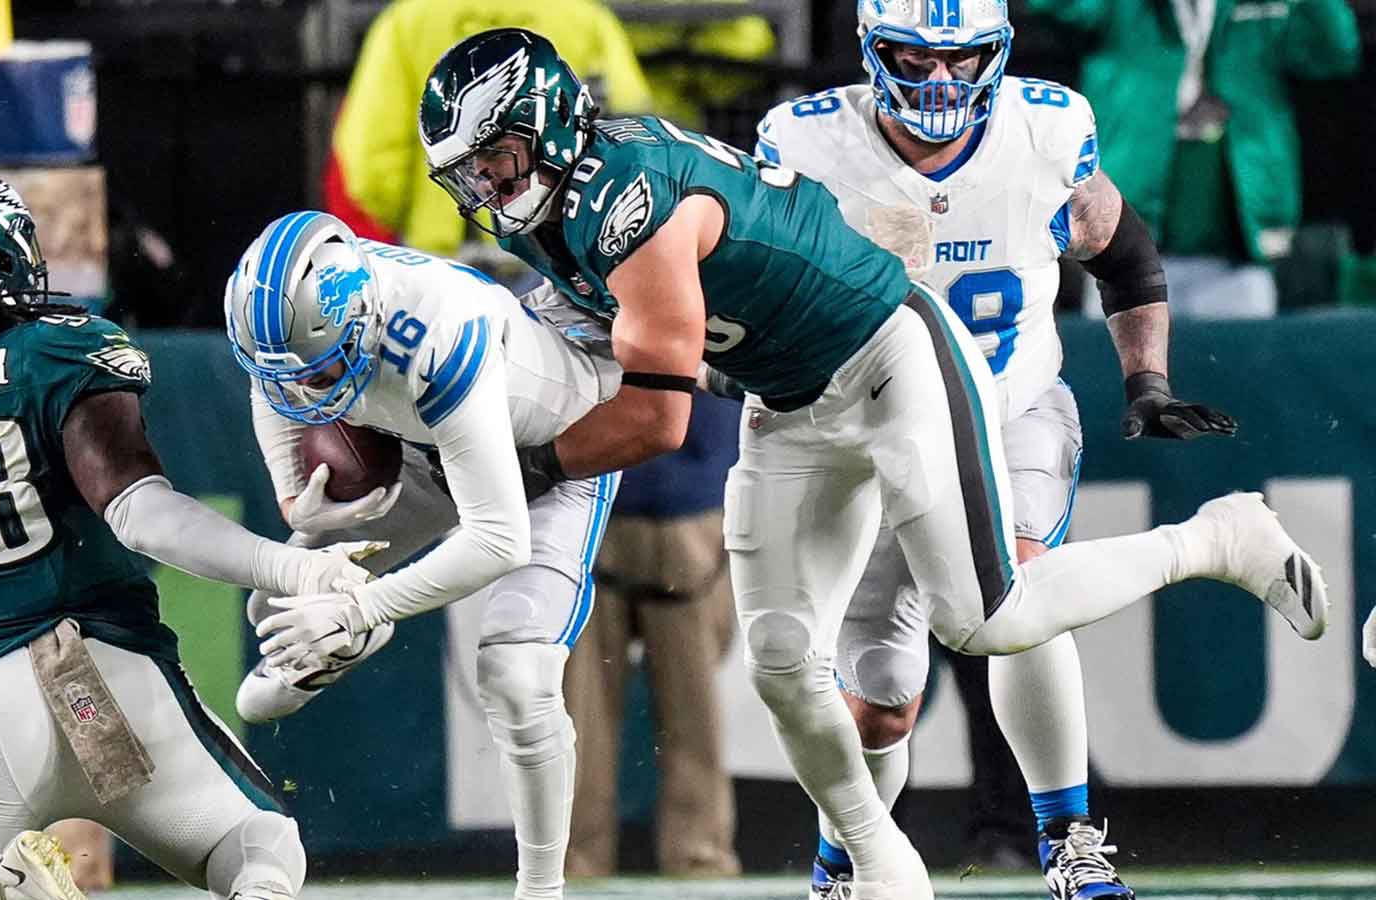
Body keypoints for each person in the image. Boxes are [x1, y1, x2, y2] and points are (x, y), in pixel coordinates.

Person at [412, 28, 1328, 900]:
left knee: (988, 617)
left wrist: (515, 471)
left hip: (888, 352)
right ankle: (874, 855)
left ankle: (1215, 539)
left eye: (498, 157)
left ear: (555, 126)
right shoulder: (550, 207)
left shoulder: (626, 197)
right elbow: (579, 339)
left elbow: (654, 417)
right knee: (780, 657)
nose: (489, 185)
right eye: (470, 172)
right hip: (788, 398)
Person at [753, 0, 1238, 895]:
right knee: (879, 707)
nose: (941, 80)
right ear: (871, 51)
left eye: (963, 59)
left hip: (1009, 402)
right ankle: (849, 858)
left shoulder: (1044, 129)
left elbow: (1123, 255)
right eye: (915, 57)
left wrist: (1148, 382)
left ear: (998, 54)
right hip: (865, 428)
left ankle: (1069, 842)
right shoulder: (806, 143)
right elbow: (751, 277)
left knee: (1018, 599)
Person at [0, 165, 376, 900]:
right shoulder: (57, 350)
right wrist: (297, 570)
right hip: (111, 673)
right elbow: (141, 512)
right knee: (256, 842)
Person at [224, 211, 622, 900]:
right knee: (268, 645)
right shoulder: (292, 321)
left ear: (358, 322)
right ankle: (355, 635)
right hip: (432, 450)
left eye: (317, 374)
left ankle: (541, 889)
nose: (307, 395)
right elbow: (273, 381)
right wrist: (294, 498)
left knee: (517, 674)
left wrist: (361, 605)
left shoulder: (439, 330)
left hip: (551, 461)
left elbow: (498, 538)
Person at [1029, 0, 1360, 318]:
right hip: (1123, 259)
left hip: (1237, 260)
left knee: (1239, 373)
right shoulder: (1124, 7)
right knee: (1124, 373)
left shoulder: (1262, 5)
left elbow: (1334, 51)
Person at [564, 395, 743, 879]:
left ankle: (577, 869)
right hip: (604, 502)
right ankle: (695, 864)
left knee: (684, 712)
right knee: (585, 720)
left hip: (655, 499)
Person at [322, 0, 651, 259]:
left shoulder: (408, 18)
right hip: (563, 246)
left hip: (445, 255)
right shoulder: (582, 15)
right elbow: (624, 129)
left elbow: (370, 161)